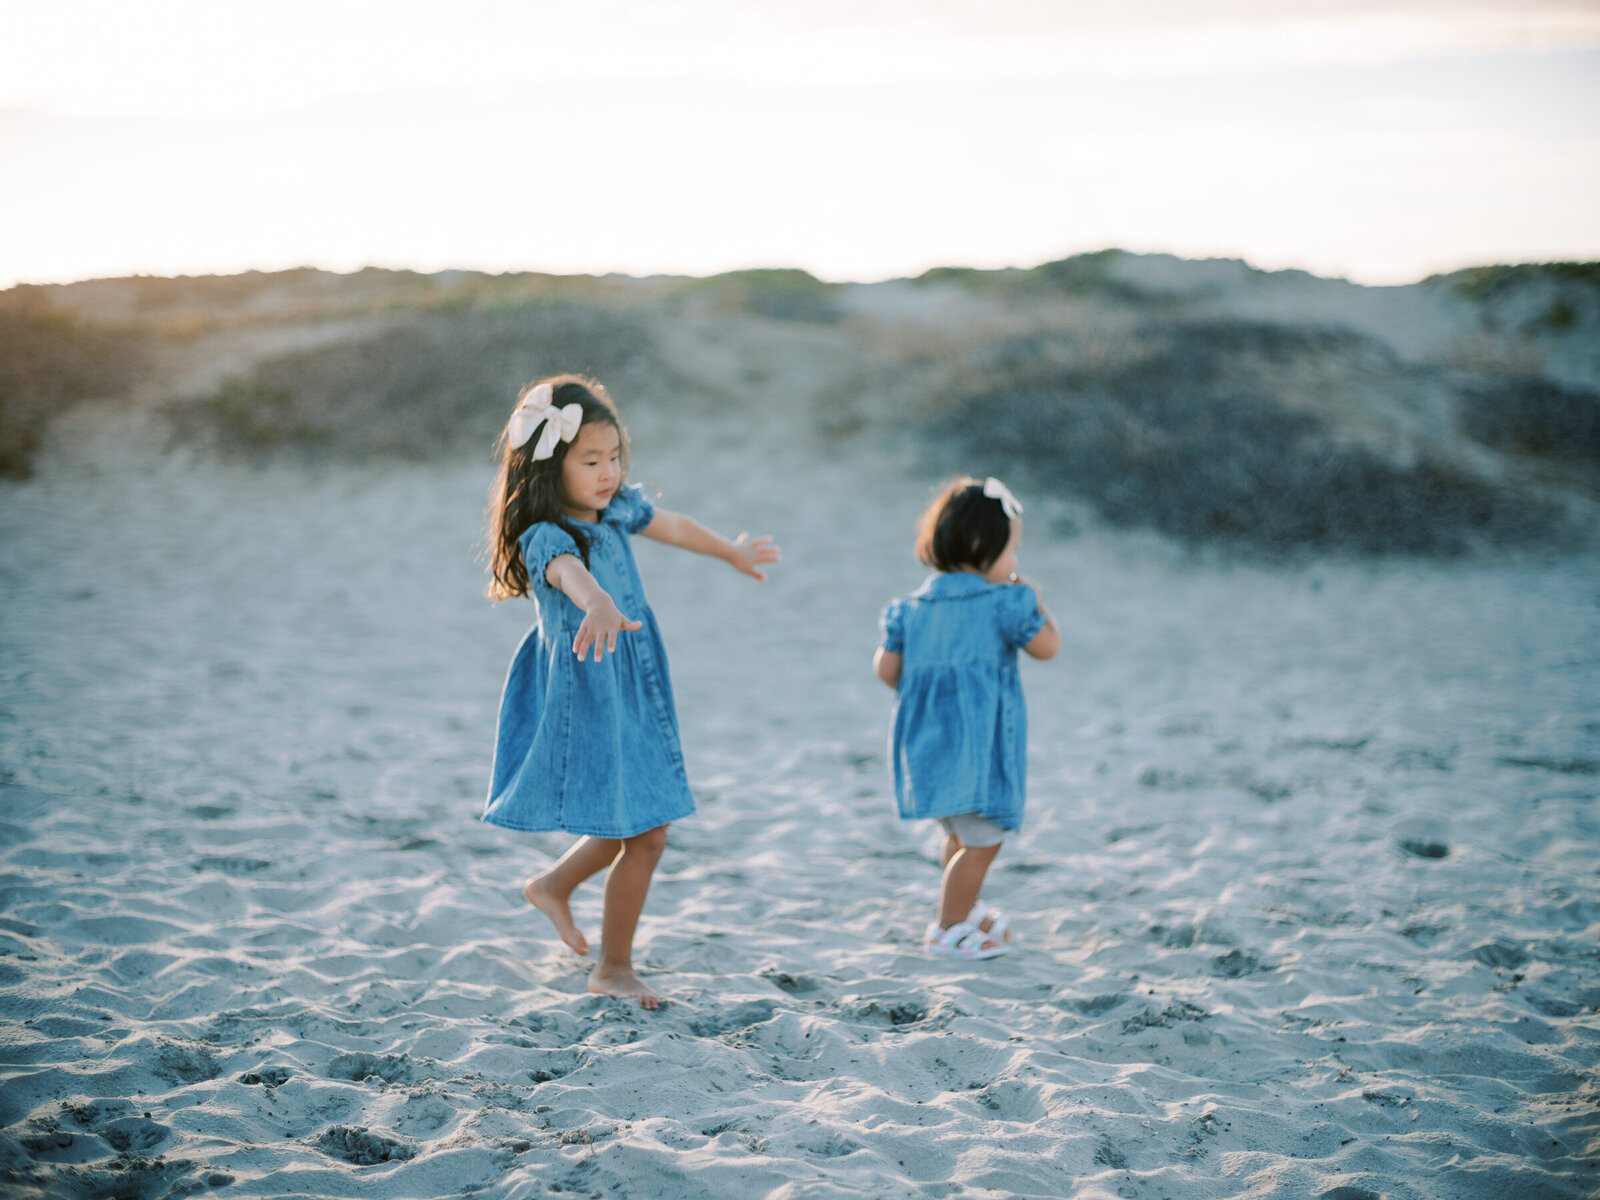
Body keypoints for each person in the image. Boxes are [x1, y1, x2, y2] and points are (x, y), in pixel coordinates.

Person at [483, 375, 780, 1008]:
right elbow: (567, 575)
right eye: (590, 461)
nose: (608, 472)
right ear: (547, 467)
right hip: (586, 697)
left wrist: (728, 550)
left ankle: (555, 887)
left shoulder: (616, 510)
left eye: (614, 456)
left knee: (638, 827)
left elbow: (670, 524)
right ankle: (612, 966)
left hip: (633, 686)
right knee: (644, 830)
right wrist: (597, 600)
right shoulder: (546, 536)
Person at [873, 476, 1059, 959]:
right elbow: (1047, 648)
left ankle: (966, 907)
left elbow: (887, 671)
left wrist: (929, 688)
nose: (1015, 562)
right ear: (983, 547)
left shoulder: (909, 610)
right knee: (982, 843)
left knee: (959, 835)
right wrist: (1038, 601)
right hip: (978, 750)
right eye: (1012, 550)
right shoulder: (1005, 603)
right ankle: (948, 926)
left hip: (929, 749)